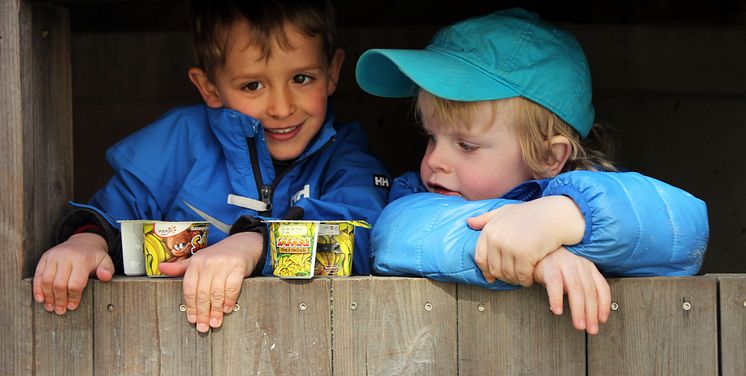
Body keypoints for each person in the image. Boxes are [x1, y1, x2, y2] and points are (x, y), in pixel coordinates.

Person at [33, 0, 391, 333]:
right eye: (253, 85)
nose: (282, 107)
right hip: (174, 349)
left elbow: (363, 237)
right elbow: (116, 210)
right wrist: (87, 240)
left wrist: (257, 244)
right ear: (209, 87)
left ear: (332, 72)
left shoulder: (345, 157)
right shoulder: (182, 141)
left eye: (301, 78)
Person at [355, 8, 708, 334]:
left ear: (549, 155)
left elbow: (687, 227)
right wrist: (524, 248)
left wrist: (565, 217)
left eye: (466, 145)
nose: (434, 161)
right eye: (431, 137)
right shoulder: (417, 193)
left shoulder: (594, 188)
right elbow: (394, 232)